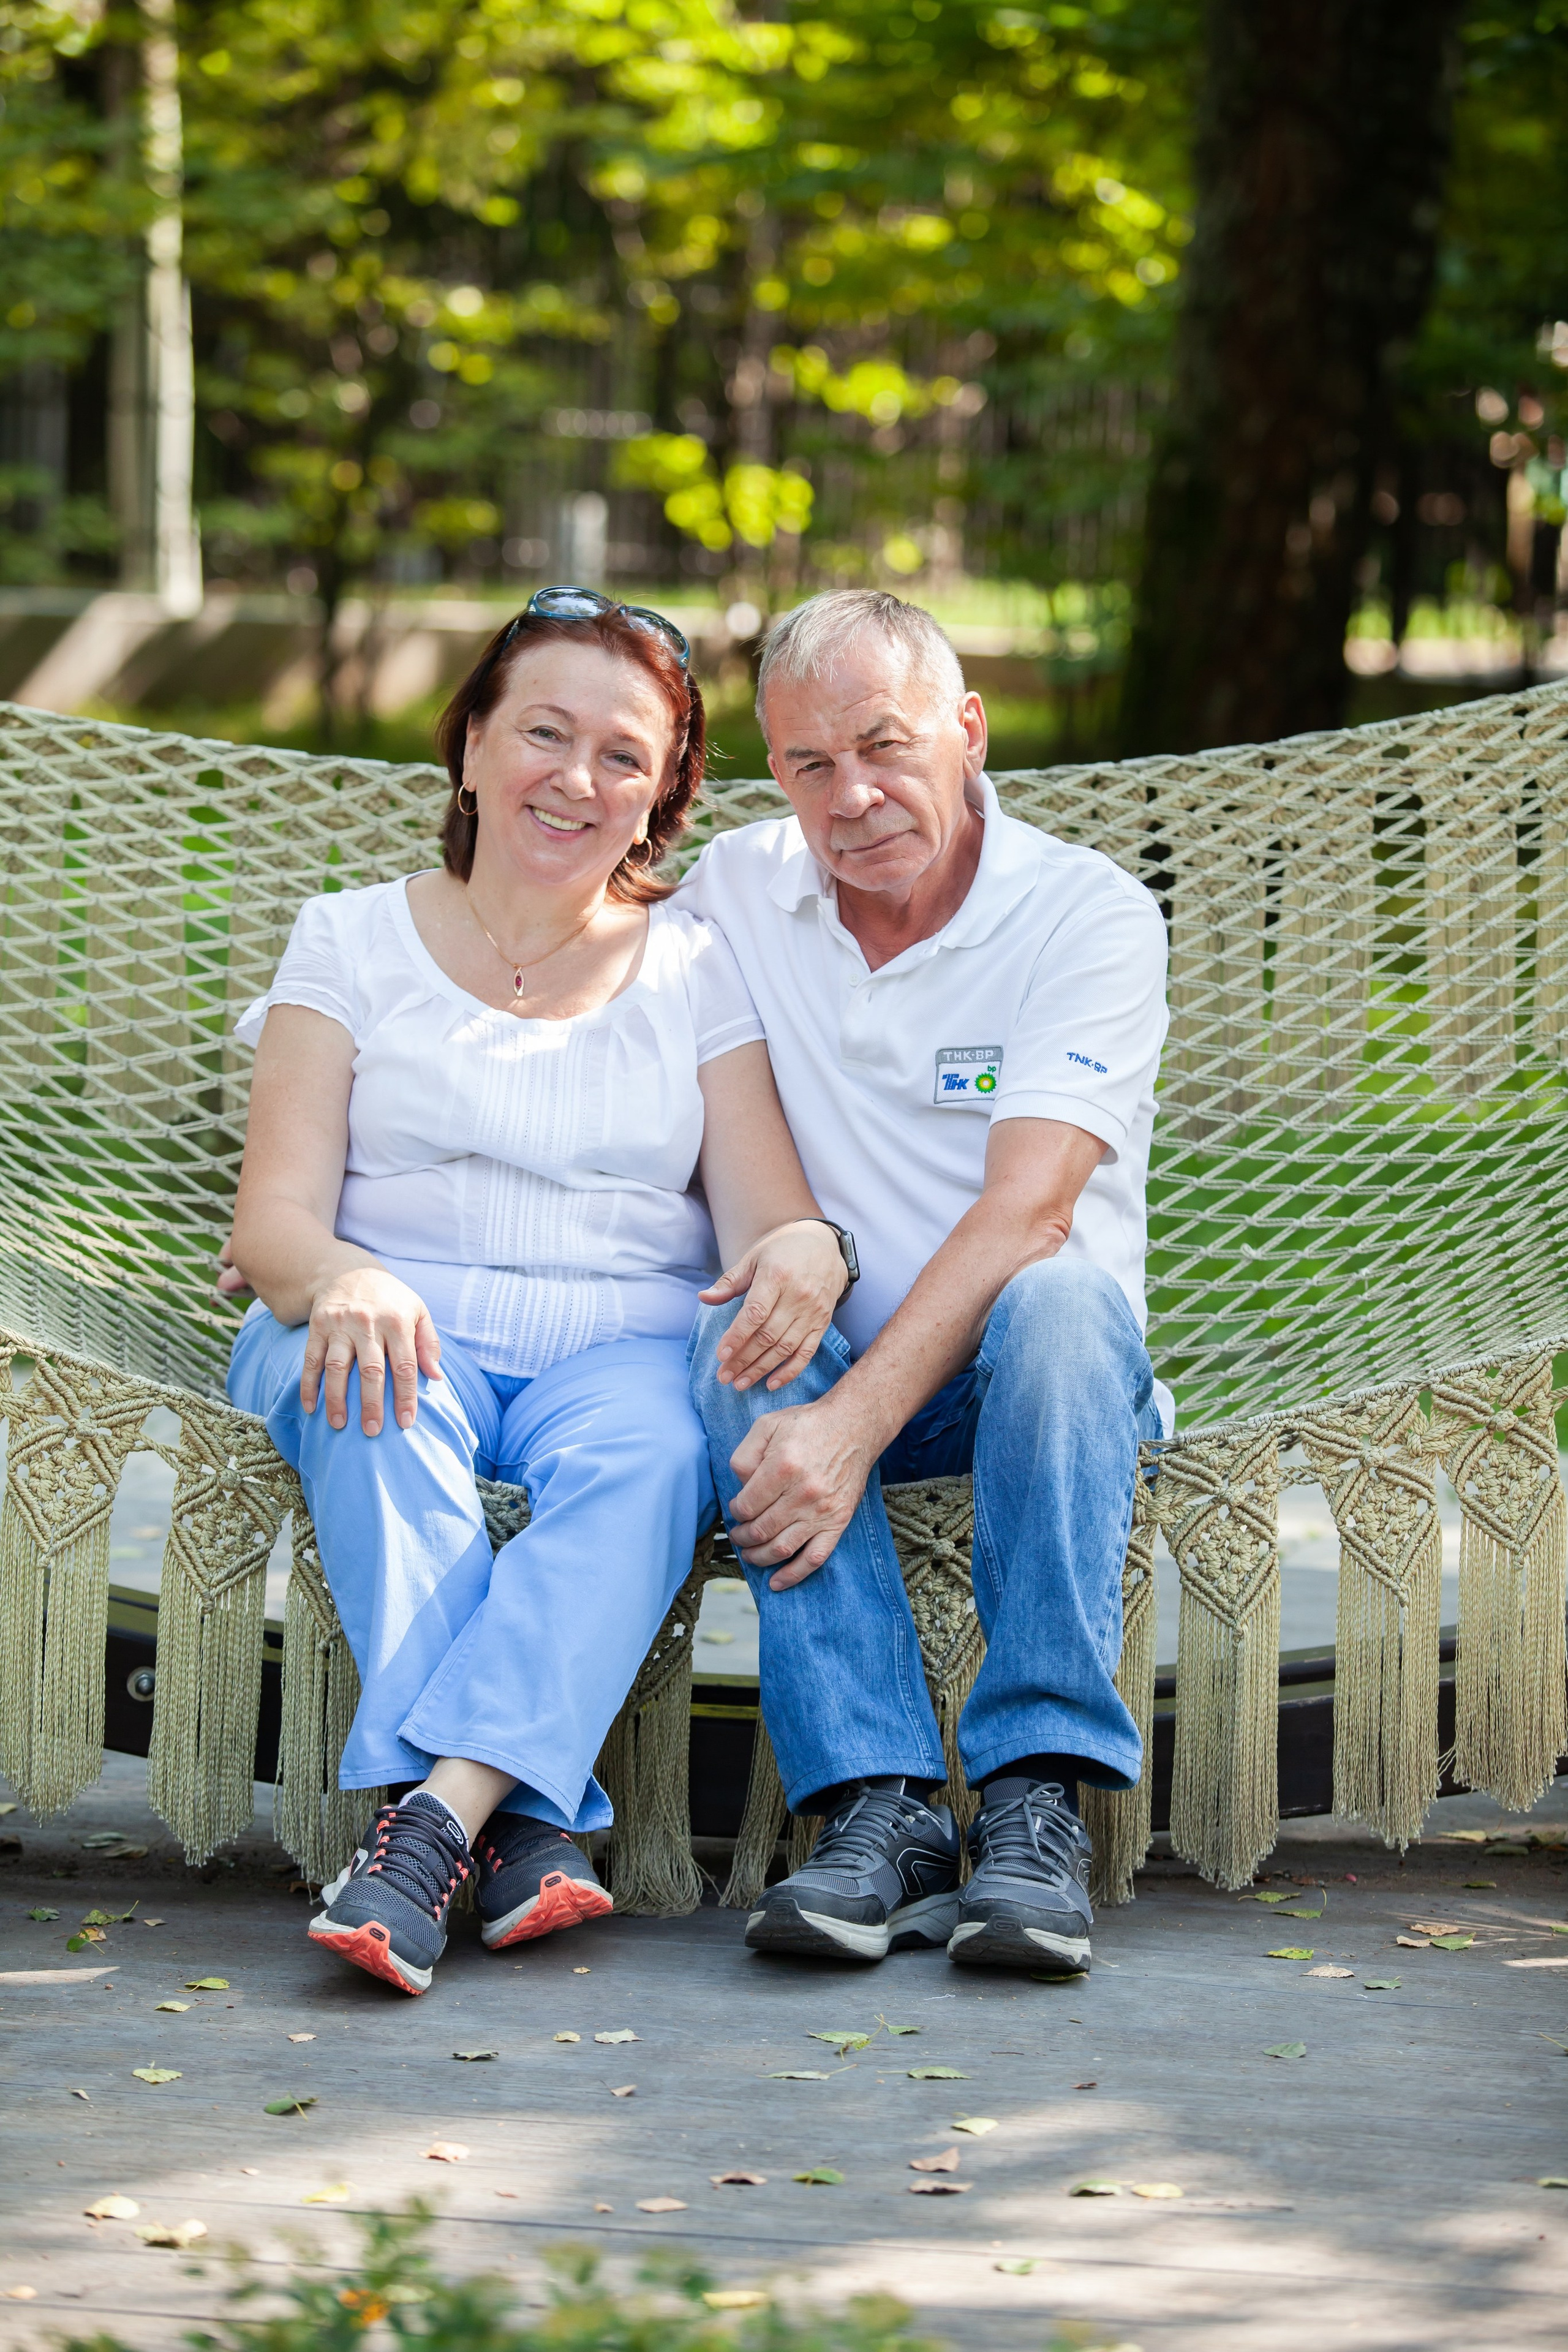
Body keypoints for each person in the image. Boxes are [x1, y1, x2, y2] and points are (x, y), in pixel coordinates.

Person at [225, 589, 849, 1996]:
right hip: (375, 1315)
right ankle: (529, 1823)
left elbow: (762, 1221)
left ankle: (429, 1827)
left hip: (615, 1348)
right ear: (469, 752)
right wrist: (340, 1274)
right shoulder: (350, 939)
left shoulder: (697, 967)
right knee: (370, 1397)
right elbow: (270, 1223)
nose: (575, 779)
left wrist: (809, 1247)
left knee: (655, 1453)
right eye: (543, 734)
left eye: (623, 757)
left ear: (661, 803)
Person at [681, 589, 1169, 1976]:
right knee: (719, 1337)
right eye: (807, 765)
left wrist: (847, 1433)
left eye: (884, 746)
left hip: (1038, 1392)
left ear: (967, 731)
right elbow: (550, 932)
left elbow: (1028, 1214)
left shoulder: (1083, 914)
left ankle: (1030, 1804)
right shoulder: (732, 896)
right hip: (832, 1361)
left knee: (1064, 1299)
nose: (852, 798)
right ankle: (876, 1804)